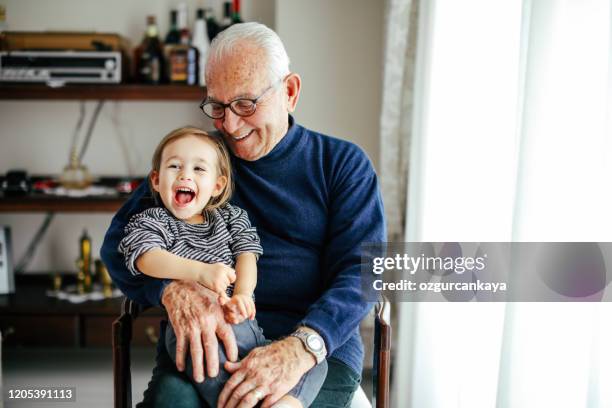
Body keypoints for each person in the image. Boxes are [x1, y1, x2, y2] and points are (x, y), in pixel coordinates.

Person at [101, 22, 386, 408]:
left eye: (246, 104)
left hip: (313, 349)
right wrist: (171, 288)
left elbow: (364, 272)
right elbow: (120, 243)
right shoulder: (199, 163)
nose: (229, 126)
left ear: (289, 92)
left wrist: (300, 349)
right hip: (210, 341)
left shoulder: (341, 164)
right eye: (217, 106)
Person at [117, 126, 327, 408]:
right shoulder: (154, 220)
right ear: (156, 180)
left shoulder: (231, 218)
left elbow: (247, 256)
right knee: (206, 361)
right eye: (174, 166)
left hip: (247, 329)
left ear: (217, 185)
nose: (185, 175)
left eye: (199, 169)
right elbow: (146, 257)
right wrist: (200, 272)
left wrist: (242, 293)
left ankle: (285, 404)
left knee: (315, 364)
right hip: (193, 332)